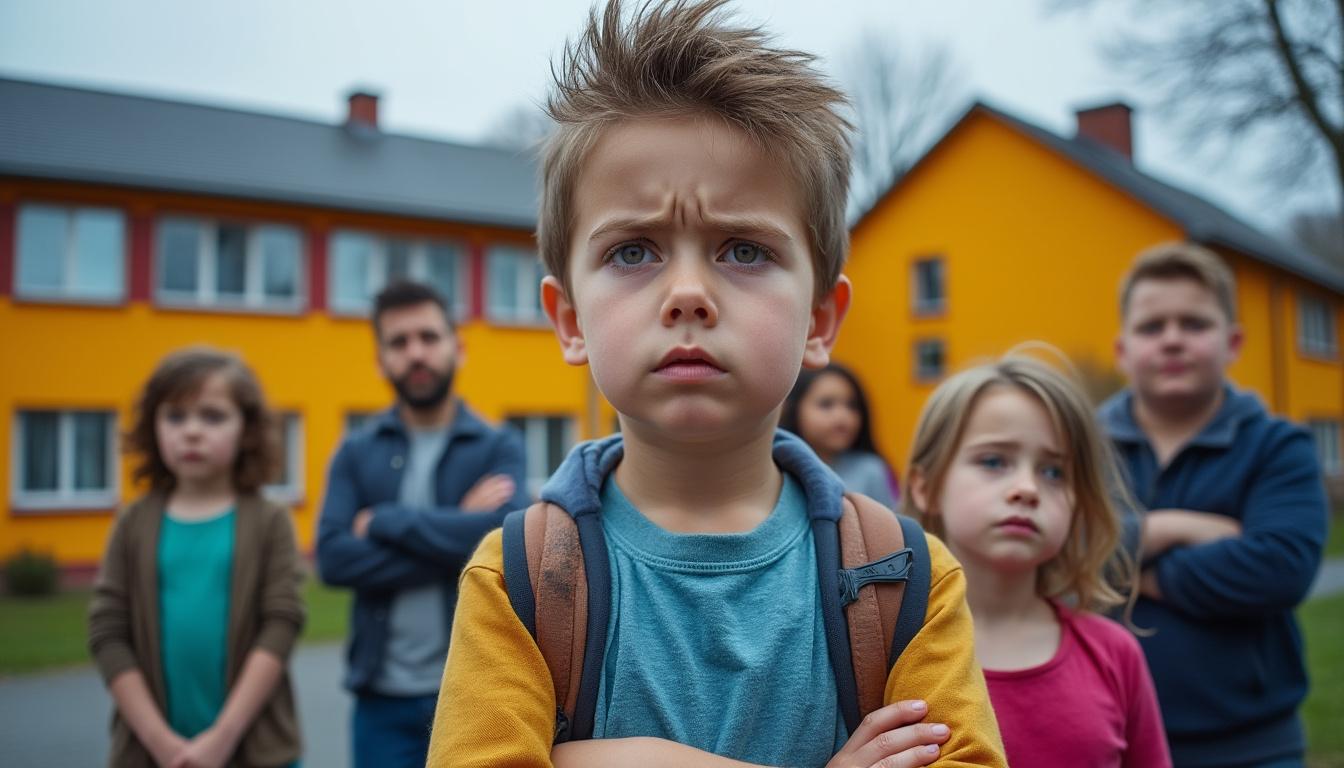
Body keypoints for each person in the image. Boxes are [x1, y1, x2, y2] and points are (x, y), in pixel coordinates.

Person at [426, 2, 1006, 766]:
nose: (687, 293)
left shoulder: (906, 579)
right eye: (634, 252)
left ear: (821, 319)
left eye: (743, 248)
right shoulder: (522, 582)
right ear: (568, 319)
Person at [1099, 242, 1328, 767]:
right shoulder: (1079, 446)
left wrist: (1127, 569)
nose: (1173, 339)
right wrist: (1175, 527)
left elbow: (1280, 568)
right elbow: (1057, 556)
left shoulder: (1278, 446)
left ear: (1233, 342)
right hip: (1107, 737)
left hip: (1254, 746)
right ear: (1122, 349)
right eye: (1152, 327)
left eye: (1194, 324)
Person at [903, 352, 1171, 767]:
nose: (1027, 488)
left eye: (1053, 472)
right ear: (927, 486)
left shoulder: (1115, 654)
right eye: (994, 461)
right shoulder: (884, 650)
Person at [315, 280, 529, 768]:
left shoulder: (499, 446)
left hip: (474, 690)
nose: (416, 353)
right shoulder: (356, 453)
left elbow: (505, 540)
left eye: (429, 338)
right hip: (381, 702)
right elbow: (332, 559)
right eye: (399, 342)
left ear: (458, 347)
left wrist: (385, 521)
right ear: (380, 360)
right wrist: (459, 531)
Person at [88, 347, 305, 768]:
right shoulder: (133, 523)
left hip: (257, 750)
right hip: (151, 753)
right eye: (175, 416)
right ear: (153, 426)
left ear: (247, 430)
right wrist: (162, 743)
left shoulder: (270, 521)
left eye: (212, 416)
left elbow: (280, 625)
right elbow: (107, 632)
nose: (191, 431)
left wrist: (221, 739)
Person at [781, 363, 899, 506]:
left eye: (852, 405)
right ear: (794, 409)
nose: (843, 417)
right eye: (826, 404)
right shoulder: (777, 470)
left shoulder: (871, 470)